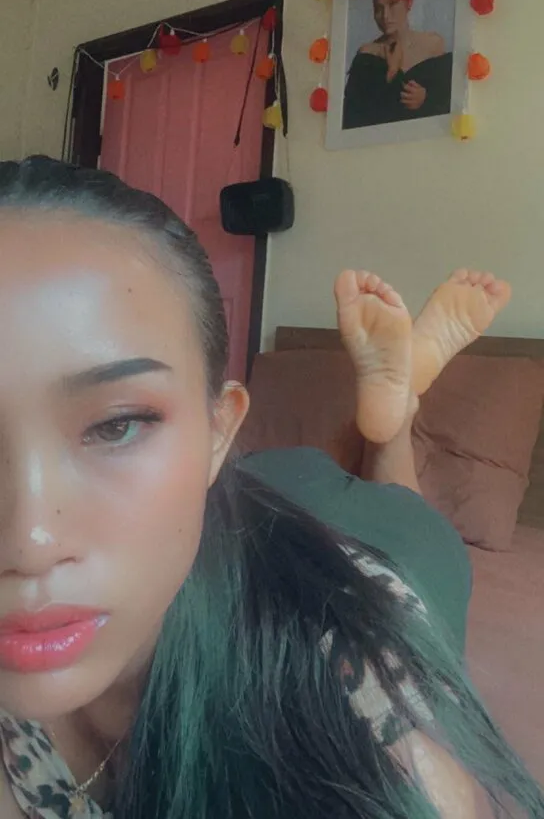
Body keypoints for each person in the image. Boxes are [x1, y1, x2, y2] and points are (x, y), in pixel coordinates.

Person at [0, 156, 540, 819]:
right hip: (253, 491)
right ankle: (393, 410)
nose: (28, 544)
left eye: (116, 424)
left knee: (397, 508)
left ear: (219, 430)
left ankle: (395, 420)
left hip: (376, 547)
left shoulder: (352, 714)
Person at [343, 0, 453, 129]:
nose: (385, 15)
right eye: (378, 9)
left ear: (409, 3)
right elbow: (354, 117)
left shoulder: (433, 44)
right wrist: (392, 73)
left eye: (392, 4)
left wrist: (426, 98)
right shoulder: (367, 54)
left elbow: (449, 100)